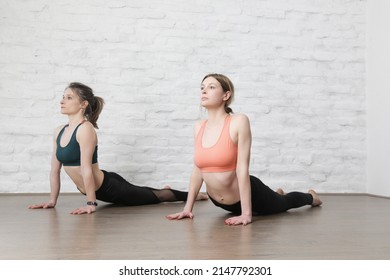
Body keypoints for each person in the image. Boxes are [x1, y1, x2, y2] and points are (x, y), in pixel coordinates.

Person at [166, 73, 322, 226]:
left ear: (226, 95)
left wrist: (246, 214)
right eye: (202, 87)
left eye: (211, 87)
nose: (204, 91)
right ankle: (275, 194)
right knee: (274, 201)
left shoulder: (238, 121)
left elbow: (242, 169)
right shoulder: (199, 126)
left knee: (284, 203)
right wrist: (187, 209)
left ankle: (311, 197)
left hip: (250, 196)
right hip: (220, 202)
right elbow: (198, 170)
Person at [28, 82, 207, 215]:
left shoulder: (85, 129)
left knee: (159, 196)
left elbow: (86, 168)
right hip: (96, 186)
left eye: (69, 97)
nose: (62, 101)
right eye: (63, 96)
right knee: (145, 192)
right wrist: (52, 201)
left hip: (109, 187)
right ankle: (163, 189)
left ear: (83, 104)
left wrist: (91, 203)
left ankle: (193, 195)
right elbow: (54, 171)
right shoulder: (59, 131)